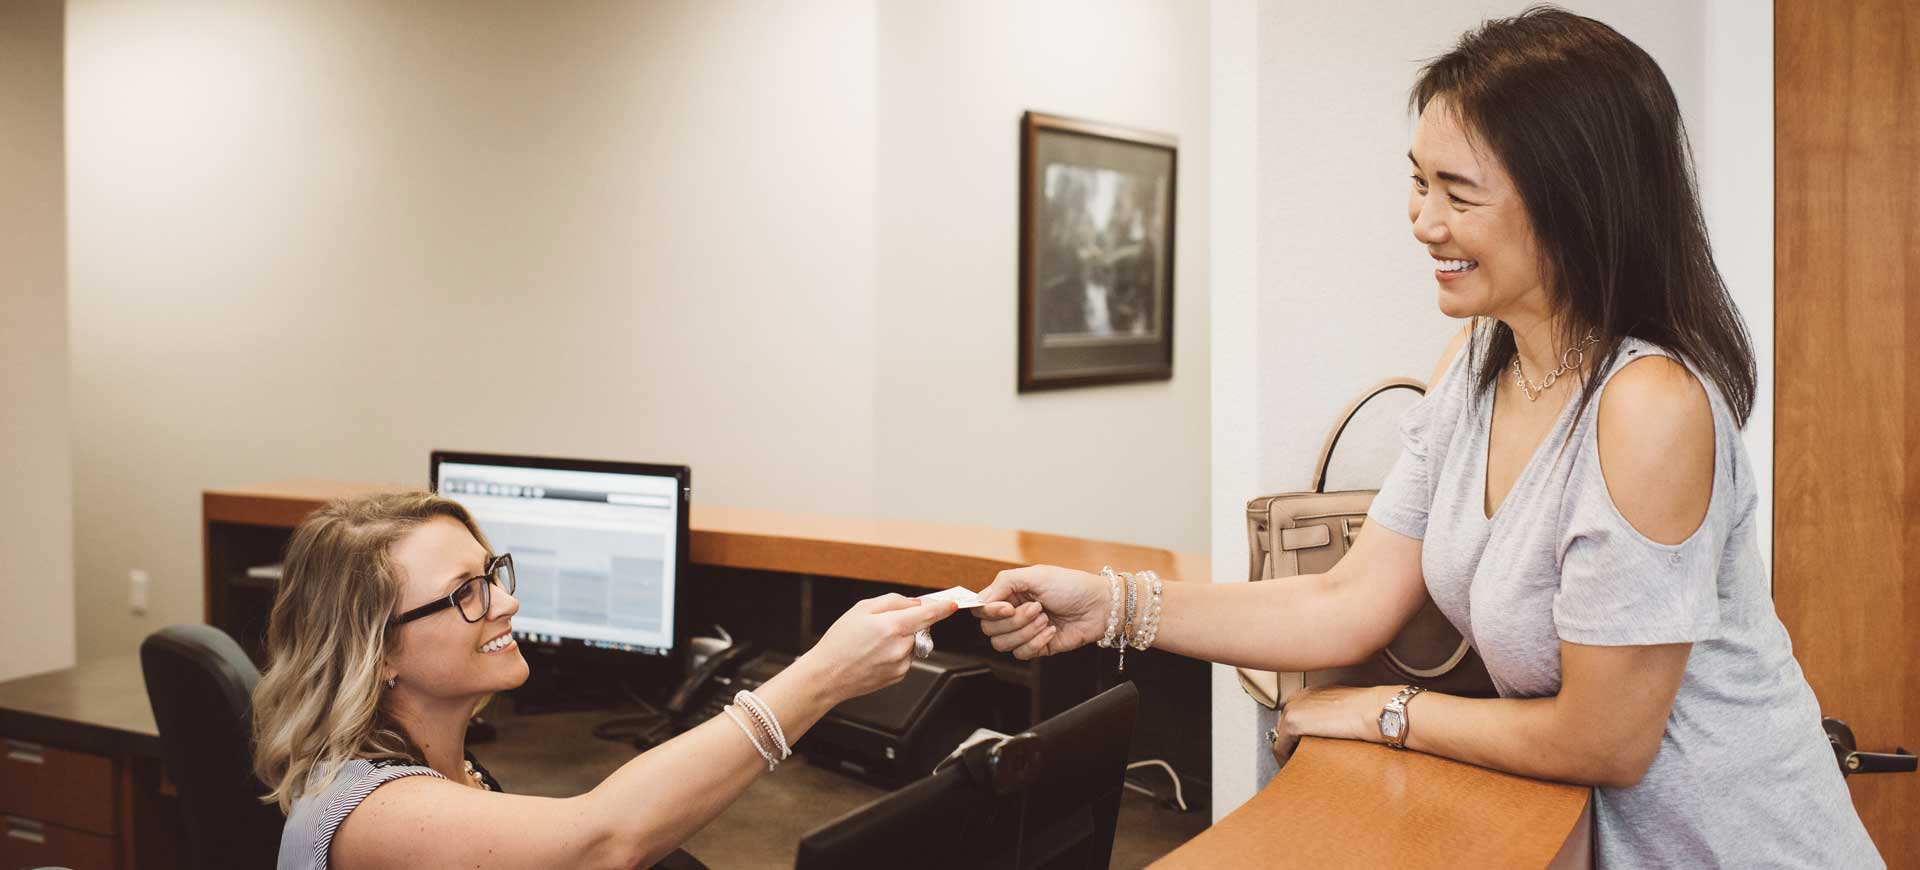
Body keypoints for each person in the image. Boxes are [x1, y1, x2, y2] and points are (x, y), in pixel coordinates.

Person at [974, 7, 1882, 868]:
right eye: (1418, 180)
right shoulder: (1478, 361)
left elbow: (1604, 739)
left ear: (1576, 205)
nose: (1424, 222)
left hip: (1741, 842)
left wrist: (1383, 711)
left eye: (1458, 193)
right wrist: (1113, 605)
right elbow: (1346, 599)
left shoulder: (1649, 405)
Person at [252, 491, 957, 869]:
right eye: (467, 591)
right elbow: (603, 841)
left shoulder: (444, 764)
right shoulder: (374, 814)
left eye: (493, 574)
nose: (507, 602)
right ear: (377, 652)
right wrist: (823, 677)